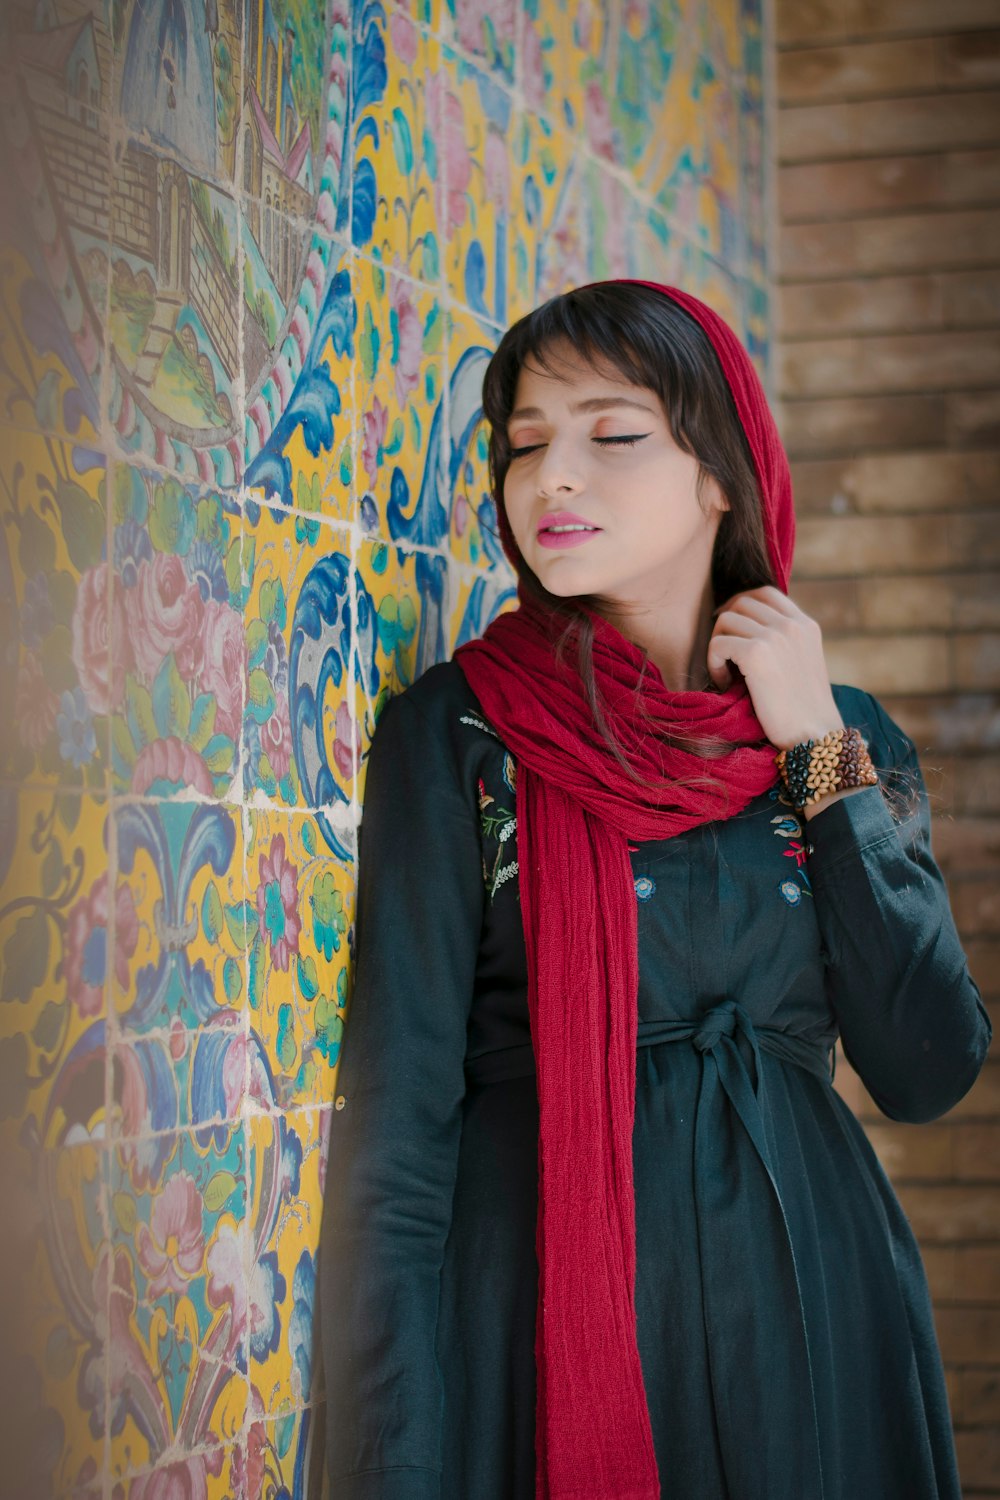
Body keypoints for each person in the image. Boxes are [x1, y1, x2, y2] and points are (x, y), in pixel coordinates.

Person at [318, 280, 992, 1500]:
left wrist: (818, 755)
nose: (550, 478)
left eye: (610, 435)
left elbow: (927, 1060)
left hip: (809, 1319)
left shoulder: (840, 742)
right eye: (524, 445)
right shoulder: (464, 730)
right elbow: (400, 1124)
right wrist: (394, 1459)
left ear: (722, 475)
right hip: (539, 1322)